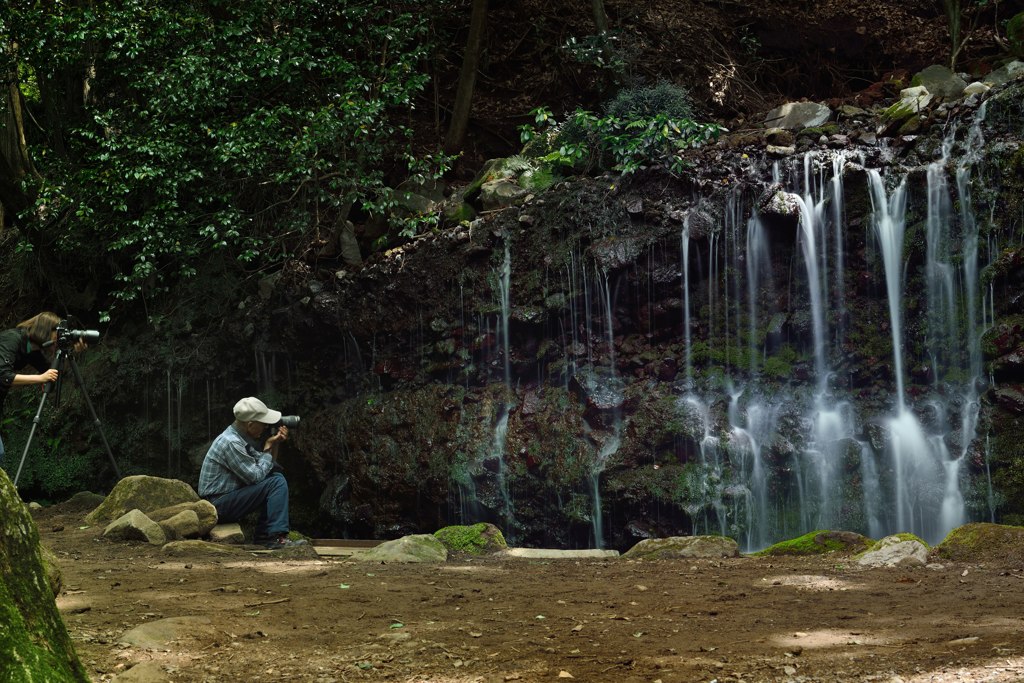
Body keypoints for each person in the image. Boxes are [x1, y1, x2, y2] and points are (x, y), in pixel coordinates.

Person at [198, 396, 308, 549]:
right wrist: (268, 444)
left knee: (274, 478)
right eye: (262, 424)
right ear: (250, 425)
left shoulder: (239, 438)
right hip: (216, 505)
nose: (264, 428)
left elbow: (267, 469)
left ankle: (265, 538)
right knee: (276, 482)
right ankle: (277, 538)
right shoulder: (231, 442)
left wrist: (274, 444)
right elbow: (256, 477)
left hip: (226, 499)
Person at [0, 312, 63, 472]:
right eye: (57, 334)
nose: (57, 339)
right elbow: (3, 376)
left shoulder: (31, 350)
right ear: (45, 331)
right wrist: (40, 378)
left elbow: (51, 373)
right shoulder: (11, 339)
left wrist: (71, 349)